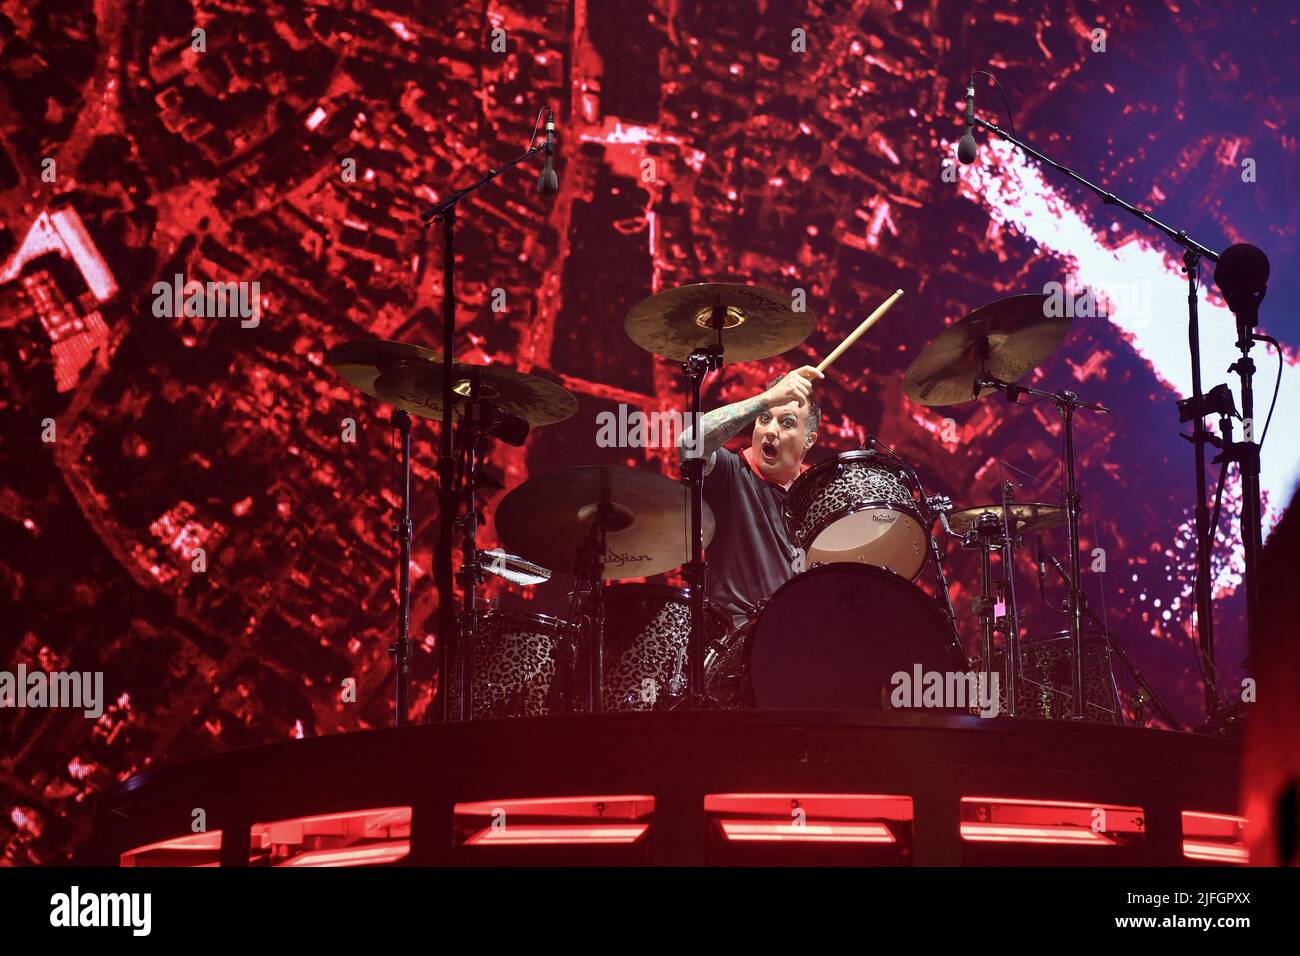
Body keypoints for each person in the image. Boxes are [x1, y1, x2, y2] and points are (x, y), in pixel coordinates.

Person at [678, 366, 824, 629]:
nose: (771, 430)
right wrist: (764, 400)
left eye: (787, 422)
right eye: (764, 418)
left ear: (809, 440)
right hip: (734, 641)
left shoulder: (819, 494)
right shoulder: (730, 473)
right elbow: (688, 443)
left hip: (800, 638)